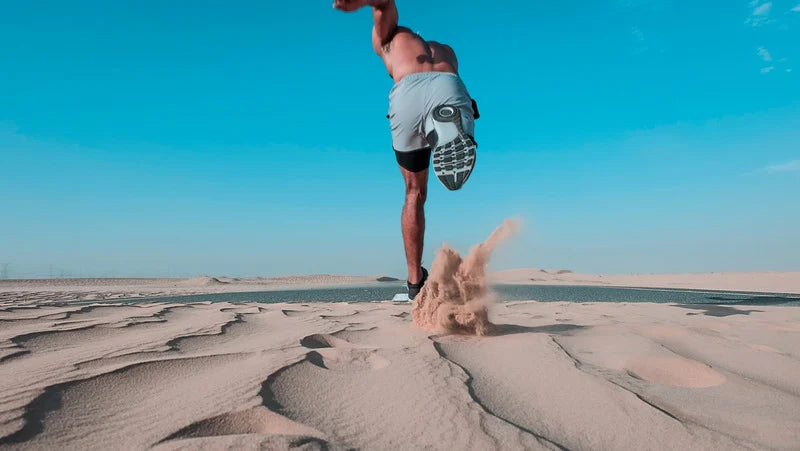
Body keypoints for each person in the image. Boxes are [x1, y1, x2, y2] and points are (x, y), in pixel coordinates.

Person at [333, 0, 479, 299]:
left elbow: (384, 3)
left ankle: (415, 283)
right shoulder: (447, 50)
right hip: (449, 86)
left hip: (407, 93)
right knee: (460, 111)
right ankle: (448, 129)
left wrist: (358, 2)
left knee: (413, 192)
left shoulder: (390, 38)